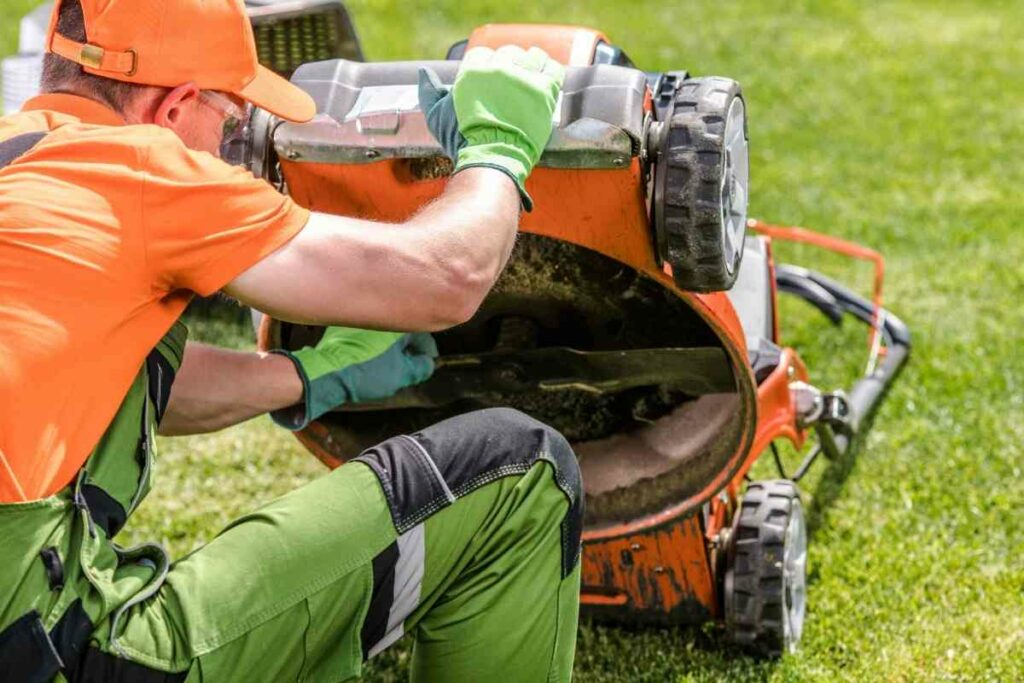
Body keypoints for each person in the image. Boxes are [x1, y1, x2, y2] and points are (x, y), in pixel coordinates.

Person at [0, 0, 582, 681]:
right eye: (231, 119)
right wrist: (497, 148)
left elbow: (109, 378)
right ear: (174, 107)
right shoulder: (139, 169)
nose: (232, 147)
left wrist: (307, 373)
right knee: (519, 471)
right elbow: (447, 277)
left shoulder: (24, 171)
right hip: (34, 646)